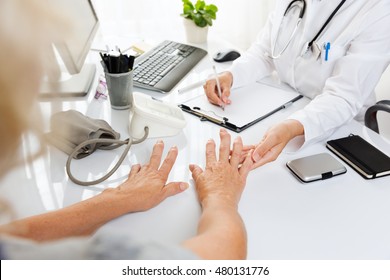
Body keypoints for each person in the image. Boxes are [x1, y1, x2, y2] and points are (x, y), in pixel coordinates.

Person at [0, 0, 253, 259]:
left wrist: (117, 198)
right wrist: (222, 198)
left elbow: (11, 238)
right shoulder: (105, 257)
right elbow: (222, 258)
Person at [204, 0, 390, 168]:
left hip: (337, 131)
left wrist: (292, 126)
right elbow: (265, 51)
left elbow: (343, 97)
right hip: (284, 108)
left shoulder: (378, 9)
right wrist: (231, 75)